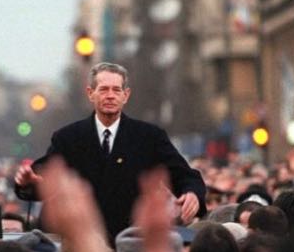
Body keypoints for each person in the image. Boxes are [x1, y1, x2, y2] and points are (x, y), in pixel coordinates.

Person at [15, 62, 206, 239]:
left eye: (116, 90)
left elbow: (184, 175)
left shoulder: (149, 137)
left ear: (126, 95)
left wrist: (192, 193)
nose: (110, 95)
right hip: (80, 244)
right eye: (103, 89)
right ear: (91, 93)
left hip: (129, 242)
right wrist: (28, 183)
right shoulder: (68, 138)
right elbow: (44, 175)